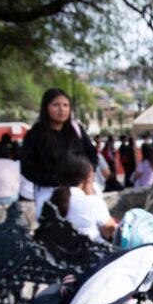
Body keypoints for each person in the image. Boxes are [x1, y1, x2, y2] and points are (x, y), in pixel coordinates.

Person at [20, 88, 96, 218]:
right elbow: (27, 168)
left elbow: (92, 156)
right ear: (46, 107)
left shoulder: (76, 130)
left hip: (81, 190)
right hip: (49, 193)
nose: (61, 109)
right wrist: (57, 180)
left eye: (65, 105)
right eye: (56, 105)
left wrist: (84, 177)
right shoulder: (35, 135)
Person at [49, 154, 117, 243]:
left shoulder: (51, 200)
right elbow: (110, 231)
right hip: (96, 254)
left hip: (63, 254)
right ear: (88, 176)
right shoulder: (93, 202)